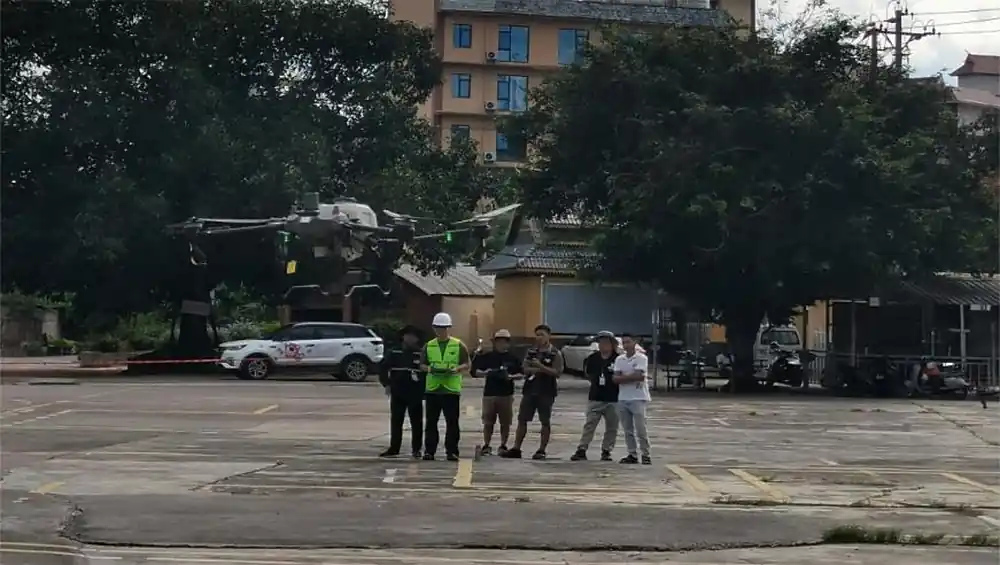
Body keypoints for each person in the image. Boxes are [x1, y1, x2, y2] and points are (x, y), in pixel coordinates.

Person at [502, 324, 563, 460]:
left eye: (542, 335)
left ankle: (542, 449)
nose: (539, 337)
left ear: (548, 336)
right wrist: (539, 370)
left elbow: (557, 372)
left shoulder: (555, 353)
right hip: (530, 389)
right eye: (537, 335)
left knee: (544, 421)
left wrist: (540, 367)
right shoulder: (531, 352)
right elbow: (525, 368)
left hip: (546, 391)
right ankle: (516, 448)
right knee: (522, 419)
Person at [419, 312, 470, 461]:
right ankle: (429, 451)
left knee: (452, 422)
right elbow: (422, 365)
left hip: (451, 389)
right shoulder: (429, 345)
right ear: (434, 328)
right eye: (438, 328)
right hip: (433, 389)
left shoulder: (458, 345)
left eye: (444, 328)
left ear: (449, 328)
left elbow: (467, 363)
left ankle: (452, 451)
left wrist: (457, 369)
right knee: (431, 422)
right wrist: (431, 369)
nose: (441, 331)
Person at [471, 329, 523, 456]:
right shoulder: (487, 356)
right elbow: (474, 371)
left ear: (508, 343)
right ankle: (486, 444)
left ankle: (503, 444)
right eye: (498, 342)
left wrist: (510, 377)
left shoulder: (513, 358)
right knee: (488, 422)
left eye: (503, 342)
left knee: (505, 422)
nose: (501, 344)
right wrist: (486, 373)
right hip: (490, 393)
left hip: (506, 394)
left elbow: (521, 374)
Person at [571, 331, 620, 462]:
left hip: (613, 398)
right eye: (601, 342)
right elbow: (588, 374)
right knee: (589, 424)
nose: (603, 345)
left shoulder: (618, 359)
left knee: (612, 426)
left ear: (612, 344)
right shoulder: (593, 358)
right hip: (595, 396)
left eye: (606, 342)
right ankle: (582, 449)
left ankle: (606, 450)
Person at [378, 325, 425, 458]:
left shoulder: (421, 353)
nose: (410, 339)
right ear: (403, 337)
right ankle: (394, 447)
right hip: (398, 390)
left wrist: (424, 391)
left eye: (413, 336)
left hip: (415, 392)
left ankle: (416, 449)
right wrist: (386, 384)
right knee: (396, 420)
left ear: (417, 339)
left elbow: (426, 373)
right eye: (407, 336)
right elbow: (383, 368)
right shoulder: (394, 352)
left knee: (416, 422)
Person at [613, 333, 652, 465]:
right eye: (624, 343)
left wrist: (623, 377)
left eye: (628, 342)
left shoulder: (641, 358)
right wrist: (630, 376)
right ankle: (632, 454)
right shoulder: (620, 359)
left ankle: (645, 454)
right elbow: (615, 378)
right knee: (627, 429)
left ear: (634, 343)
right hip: (623, 397)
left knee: (641, 428)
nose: (626, 345)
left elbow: (640, 376)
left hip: (638, 397)